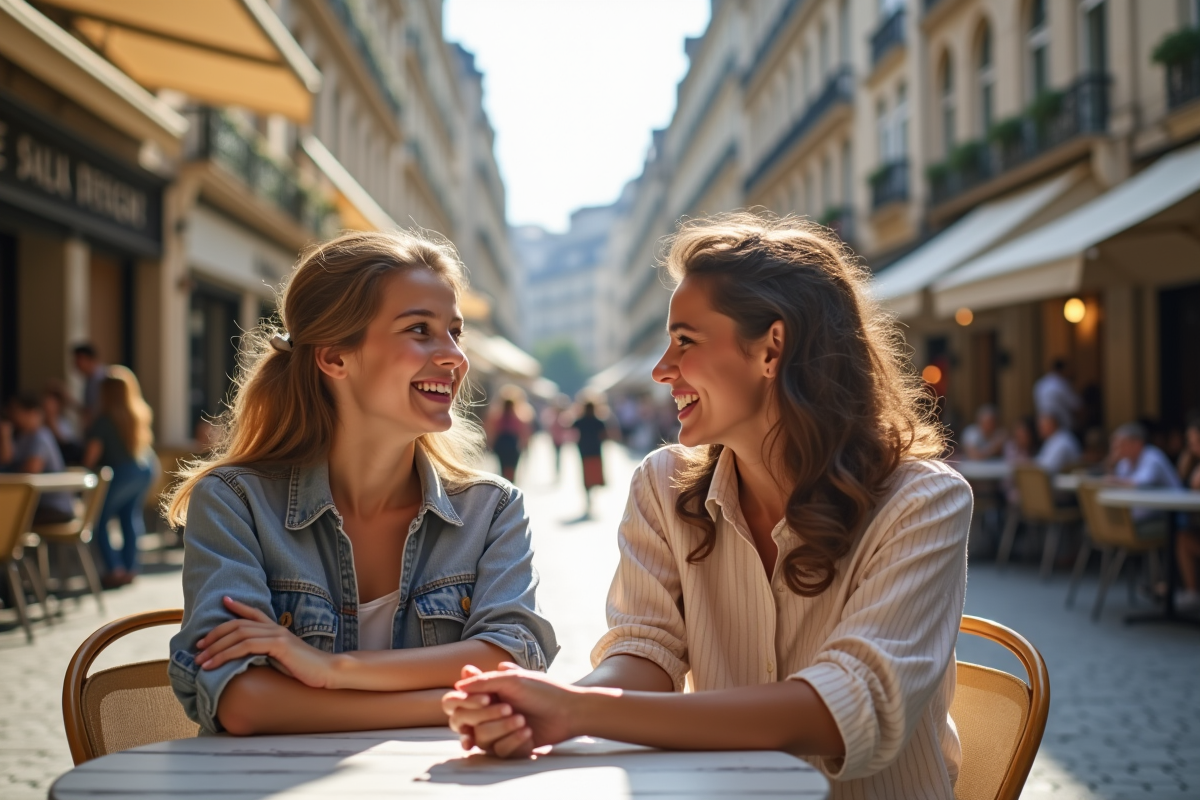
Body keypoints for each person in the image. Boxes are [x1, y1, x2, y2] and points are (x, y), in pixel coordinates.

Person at [443, 213, 971, 799]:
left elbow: (844, 706)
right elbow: (647, 653)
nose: (661, 369)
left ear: (773, 348)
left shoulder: (924, 501)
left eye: (685, 341)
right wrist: (550, 710)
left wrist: (579, 711)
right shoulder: (662, 485)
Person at [163, 230, 557, 737]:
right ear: (334, 358)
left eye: (455, 332)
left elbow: (512, 657)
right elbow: (240, 700)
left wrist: (333, 671)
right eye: (420, 330)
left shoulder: (492, 510)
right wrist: (448, 703)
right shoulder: (236, 502)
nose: (455, 356)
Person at [82, 367, 158, 587]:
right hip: (143, 469)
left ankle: (114, 569)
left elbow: (91, 456)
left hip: (120, 473)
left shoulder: (104, 420)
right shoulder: (138, 414)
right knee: (129, 517)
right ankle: (130, 567)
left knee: (99, 520)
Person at [0, 393, 75, 523]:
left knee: (7, 520)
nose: (12, 416)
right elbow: (7, 460)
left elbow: (30, 472)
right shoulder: (23, 437)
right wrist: (5, 436)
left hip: (52, 507)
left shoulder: (41, 436)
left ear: (31, 413)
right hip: (34, 506)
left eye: (17, 412)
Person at [1107, 421, 1182, 540]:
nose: (1116, 449)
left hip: (1169, 516)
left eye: (1120, 444)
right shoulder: (1125, 462)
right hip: (1145, 516)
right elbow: (1118, 484)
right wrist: (1111, 467)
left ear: (1137, 444)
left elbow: (1139, 485)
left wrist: (1112, 478)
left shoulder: (1153, 457)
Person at [1174, 416, 1200, 608]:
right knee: (1182, 536)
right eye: (1189, 442)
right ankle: (1188, 591)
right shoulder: (1192, 461)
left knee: (1182, 536)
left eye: (1194, 441)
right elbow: (1181, 482)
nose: (1191, 446)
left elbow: (1195, 485)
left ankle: (1189, 591)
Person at [572, 398, 609, 518]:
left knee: (586, 476)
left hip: (584, 451)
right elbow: (604, 435)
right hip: (596, 451)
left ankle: (588, 495)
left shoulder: (580, 421)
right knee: (595, 474)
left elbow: (571, 428)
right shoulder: (598, 421)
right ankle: (592, 494)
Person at [486, 388, 533, 482]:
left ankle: (504, 484)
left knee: (502, 467)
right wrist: (526, 446)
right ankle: (510, 484)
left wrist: (490, 444)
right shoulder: (519, 416)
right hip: (512, 443)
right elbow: (524, 432)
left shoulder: (497, 416)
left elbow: (491, 430)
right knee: (512, 467)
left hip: (501, 443)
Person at [42, 381, 83, 464]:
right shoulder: (38, 424)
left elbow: (66, 445)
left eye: (52, 403)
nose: (48, 405)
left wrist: (51, 422)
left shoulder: (64, 423)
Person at [1033, 358, 1080, 431]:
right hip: (1063, 428)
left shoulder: (1040, 384)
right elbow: (1077, 406)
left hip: (1044, 426)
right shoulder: (1061, 383)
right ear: (1063, 369)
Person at [72, 343, 106, 428]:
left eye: (79, 359)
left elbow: (92, 412)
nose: (76, 363)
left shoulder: (100, 380)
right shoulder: (90, 380)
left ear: (91, 359)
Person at [539, 394, 573, 478]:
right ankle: (558, 469)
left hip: (559, 438)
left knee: (558, 454)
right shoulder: (556, 416)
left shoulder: (560, 416)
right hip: (557, 438)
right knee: (558, 454)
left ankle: (558, 469)